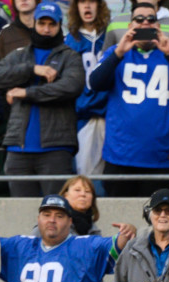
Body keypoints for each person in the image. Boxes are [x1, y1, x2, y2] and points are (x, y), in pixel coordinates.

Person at [90, 3, 169, 196]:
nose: (145, 23)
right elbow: (95, 83)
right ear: (129, 25)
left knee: (159, 220)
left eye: (151, 19)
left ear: (158, 26)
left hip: (162, 156)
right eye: (139, 19)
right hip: (121, 156)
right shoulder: (116, 53)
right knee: (120, 219)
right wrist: (118, 53)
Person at [0, 193, 136, 282]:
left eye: (59, 216)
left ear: (70, 221)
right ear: (38, 219)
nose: (52, 220)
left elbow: (118, 244)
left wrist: (128, 231)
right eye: (46, 214)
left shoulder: (85, 246)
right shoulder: (19, 245)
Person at [0, 1, 83, 198]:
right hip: (17, 148)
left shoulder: (70, 57)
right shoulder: (21, 55)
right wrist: (31, 69)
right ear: (35, 24)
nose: (46, 29)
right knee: (21, 215)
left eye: (51, 24)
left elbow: (70, 87)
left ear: (59, 25)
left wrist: (26, 93)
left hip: (55, 148)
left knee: (55, 211)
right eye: (42, 24)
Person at [67, 0, 113, 177]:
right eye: (82, 2)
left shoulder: (111, 36)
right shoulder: (71, 40)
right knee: (85, 174)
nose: (87, 6)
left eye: (91, 1)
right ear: (76, 7)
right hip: (84, 114)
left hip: (110, 114)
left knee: (111, 173)